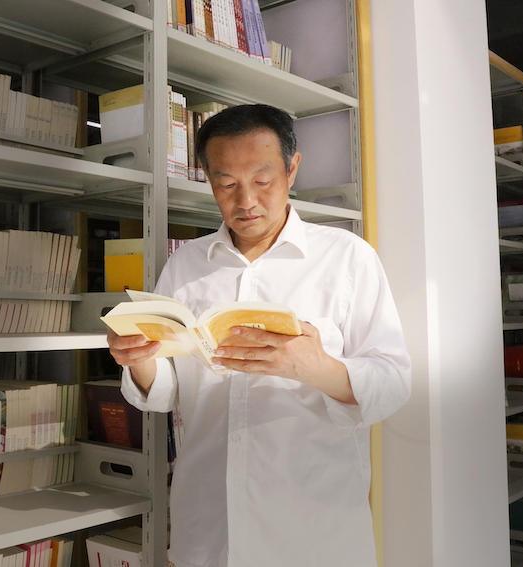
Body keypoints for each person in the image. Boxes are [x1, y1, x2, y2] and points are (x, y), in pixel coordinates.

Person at [107, 104, 411, 567]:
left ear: (292, 169)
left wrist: (317, 368)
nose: (246, 200)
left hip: (313, 535)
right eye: (227, 183)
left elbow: (393, 383)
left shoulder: (347, 258)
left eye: (262, 180)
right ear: (208, 179)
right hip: (207, 529)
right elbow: (168, 391)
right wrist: (140, 359)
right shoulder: (186, 264)